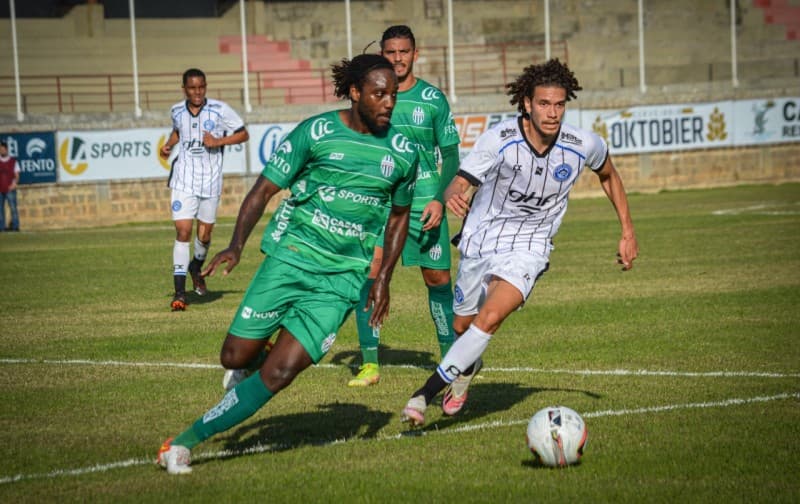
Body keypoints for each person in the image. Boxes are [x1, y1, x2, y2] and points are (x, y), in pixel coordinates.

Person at [156, 53, 419, 474]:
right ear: (355, 93)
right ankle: (252, 359)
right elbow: (263, 190)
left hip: (340, 279)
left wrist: (383, 278)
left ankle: (182, 443)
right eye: (379, 94)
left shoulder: (404, 151)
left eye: (393, 95)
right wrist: (236, 246)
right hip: (292, 258)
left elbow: (400, 216)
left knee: (281, 373)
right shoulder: (316, 132)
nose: (389, 102)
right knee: (233, 357)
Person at [400, 59, 639, 426]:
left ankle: (424, 394)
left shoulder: (582, 144)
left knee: (491, 317)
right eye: (544, 104)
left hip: (531, 246)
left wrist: (627, 231)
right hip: (482, 240)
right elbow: (460, 181)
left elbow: (609, 174)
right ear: (527, 103)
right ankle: (468, 365)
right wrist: (451, 196)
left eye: (559, 104)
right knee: (462, 326)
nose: (553, 113)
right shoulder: (499, 139)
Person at [347, 25, 461, 387]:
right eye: (391, 52)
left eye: (404, 51)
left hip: (425, 202)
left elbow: (451, 154)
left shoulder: (432, 98)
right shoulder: (372, 97)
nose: (397, 58)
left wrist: (440, 199)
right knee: (371, 273)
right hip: (380, 202)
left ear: (415, 53)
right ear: (382, 54)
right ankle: (369, 364)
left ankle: (451, 360)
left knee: (437, 279)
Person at [159, 68, 249, 311]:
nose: (197, 92)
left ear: (205, 87)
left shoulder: (220, 110)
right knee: (183, 231)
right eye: (192, 88)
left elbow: (243, 135)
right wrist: (168, 145)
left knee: (205, 236)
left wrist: (218, 141)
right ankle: (179, 294)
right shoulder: (176, 110)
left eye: (201, 87)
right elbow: (178, 130)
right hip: (183, 179)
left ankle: (195, 267)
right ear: (184, 89)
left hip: (210, 181)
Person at [0, 140, 21, 232]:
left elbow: (17, 175)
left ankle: (15, 226)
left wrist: (14, 184)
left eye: (3, 149)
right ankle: (1, 227)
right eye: (0, 149)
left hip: (10, 189)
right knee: (0, 210)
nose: (2, 151)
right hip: (0, 189)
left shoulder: (13, 161)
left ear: (7, 149)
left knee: (13, 208)